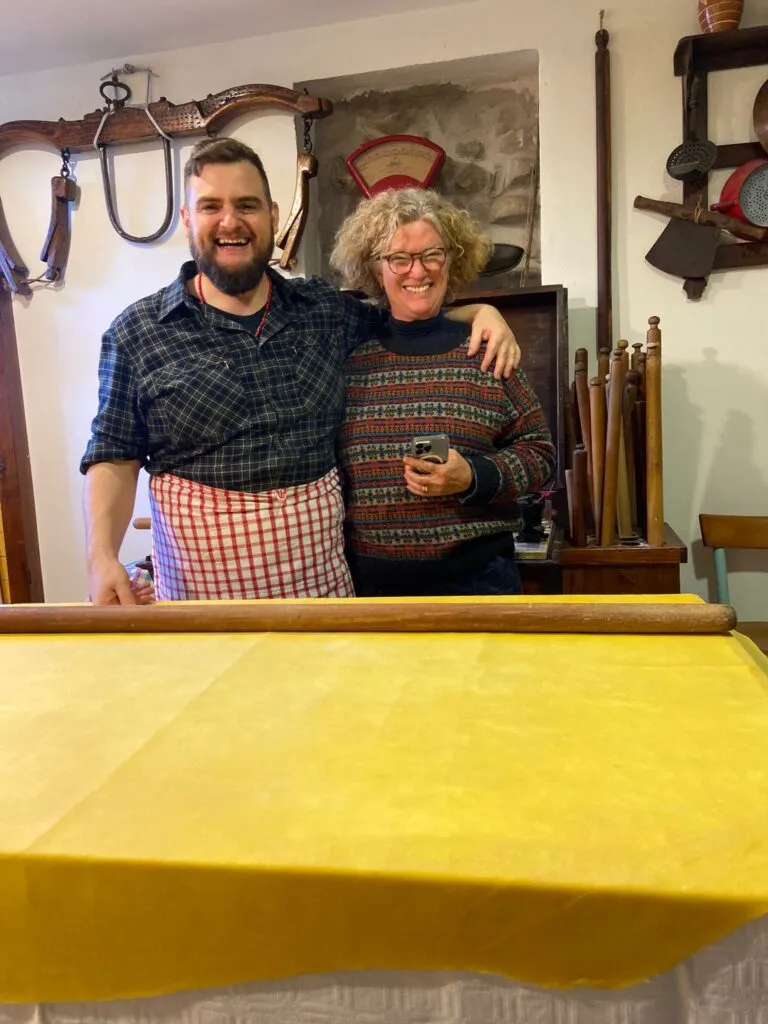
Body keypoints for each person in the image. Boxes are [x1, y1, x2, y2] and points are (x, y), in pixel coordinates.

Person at [81, 139, 521, 605]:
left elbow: (406, 315)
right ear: (189, 219)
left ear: (273, 216)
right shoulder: (137, 332)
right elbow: (114, 454)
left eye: (247, 205)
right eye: (211, 206)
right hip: (201, 608)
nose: (230, 222)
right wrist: (101, 557)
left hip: (324, 605)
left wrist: (480, 311)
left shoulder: (324, 309)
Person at [330, 187, 556, 597]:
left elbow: (540, 454)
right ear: (376, 269)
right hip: (371, 590)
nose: (418, 272)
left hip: (479, 584)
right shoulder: (349, 359)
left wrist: (473, 476)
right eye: (399, 258)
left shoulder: (487, 351)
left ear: (451, 259)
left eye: (431, 255)